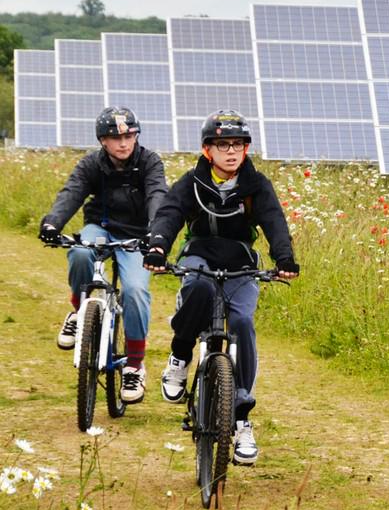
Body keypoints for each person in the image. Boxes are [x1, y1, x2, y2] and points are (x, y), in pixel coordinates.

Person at [143, 110, 299, 465]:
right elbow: (169, 215)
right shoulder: (192, 182)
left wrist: (285, 259)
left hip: (241, 262)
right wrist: (157, 247)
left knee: (243, 323)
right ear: (206, 149)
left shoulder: (256, 186)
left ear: (246, 149)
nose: (231, 151)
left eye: (238, 144)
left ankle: (242, 418)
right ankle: (180, 357)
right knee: (197, 290)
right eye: (222, 144)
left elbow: (274, 221)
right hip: (199, 255)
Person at [39, 106, 168, 403]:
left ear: (136, 136)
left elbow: (157, 195)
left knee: (135, 290)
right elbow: (72, 193)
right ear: (102, 141)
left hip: (138, 235)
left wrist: (156, 232)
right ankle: (78, 310)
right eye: (115, 137)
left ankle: (135, 365)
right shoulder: (91, 164)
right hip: (101, 227)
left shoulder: (150, 162)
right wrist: (52, 223)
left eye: (129, 135)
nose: (123, 143)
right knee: (80, 252)